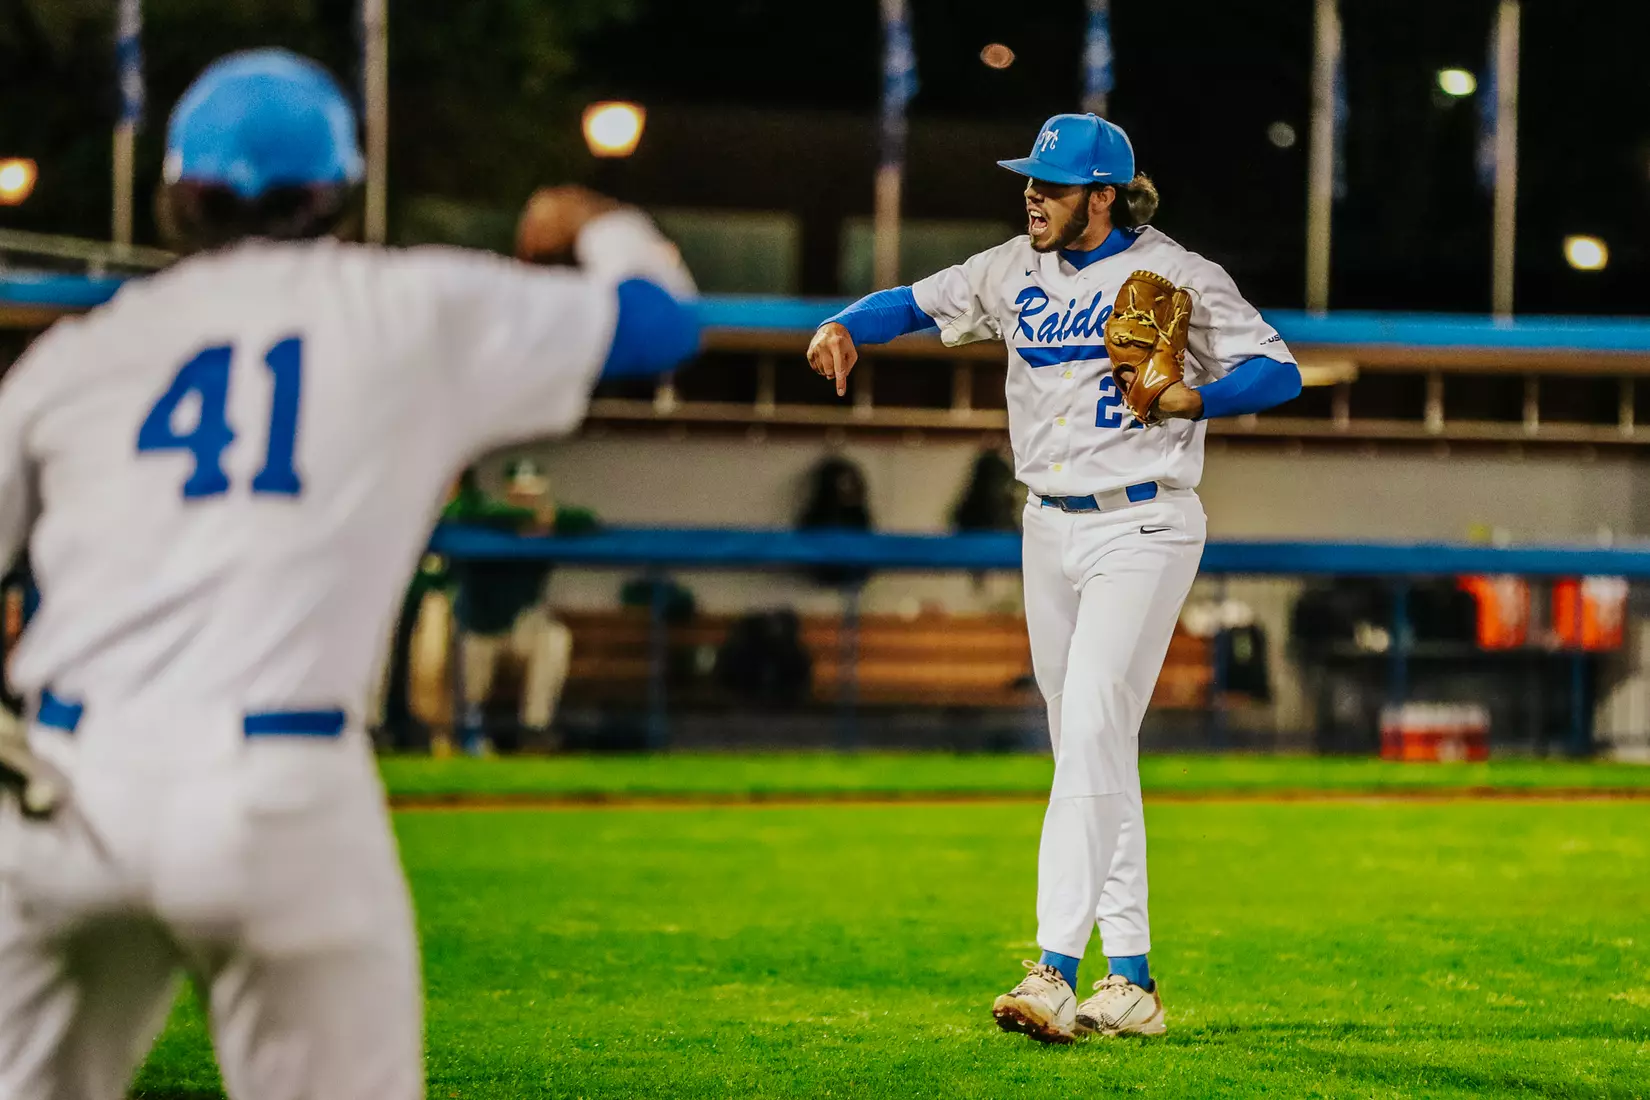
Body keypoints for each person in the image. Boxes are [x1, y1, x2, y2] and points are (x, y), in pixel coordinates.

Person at [0, 48, 697, 1099]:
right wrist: (590, 216)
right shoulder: (405, 306)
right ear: (334, 189)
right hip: (276, 783)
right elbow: (660, 326)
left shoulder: (85, 348)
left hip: (68, 780)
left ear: (174, 197)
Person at [806, 113, 1300, 1043]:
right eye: (1029, 180)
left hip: (1144, 522)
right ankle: (1136, 982)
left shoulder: (1177, 273)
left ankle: (1053, 971)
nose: (1032, 194)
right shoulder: (1010, 269)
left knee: (1087, 729)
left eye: (1053, 184)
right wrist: (843, 325)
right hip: (1048, 528)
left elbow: (1278, 372)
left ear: (1102, 196)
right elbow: (912, 302)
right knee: (1093, 746)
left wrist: (1199, 392)